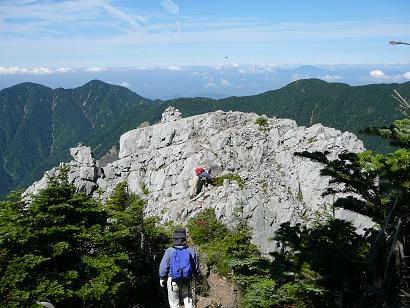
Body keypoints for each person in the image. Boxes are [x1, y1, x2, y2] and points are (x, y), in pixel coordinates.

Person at [159, 227, 199, 308]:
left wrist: (162, 278)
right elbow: (195, 267)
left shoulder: (169, 251)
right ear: (185, 238)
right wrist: (196, 277)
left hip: (173, 280)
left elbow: (163, 267)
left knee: (174, 303)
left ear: (174, 238)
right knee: (188, 301)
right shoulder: (191, 251)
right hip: (187, 279)